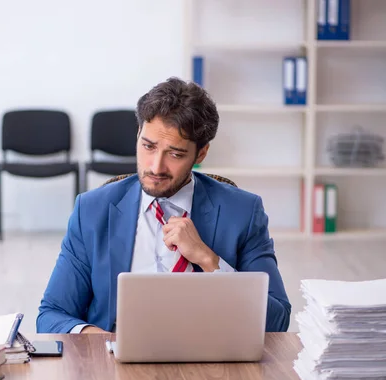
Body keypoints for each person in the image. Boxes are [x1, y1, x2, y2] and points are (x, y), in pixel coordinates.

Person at [36, 77, 291, 334]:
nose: (156, 167)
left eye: (175, 154)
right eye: (148, 146)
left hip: (208, 362)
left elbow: (277, 320)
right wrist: (100, 343)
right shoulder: (92, 210)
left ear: (200, 154)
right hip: (115, 364)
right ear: (138, 135)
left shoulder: (243, 212)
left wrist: (209, 260)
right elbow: (52, 315)